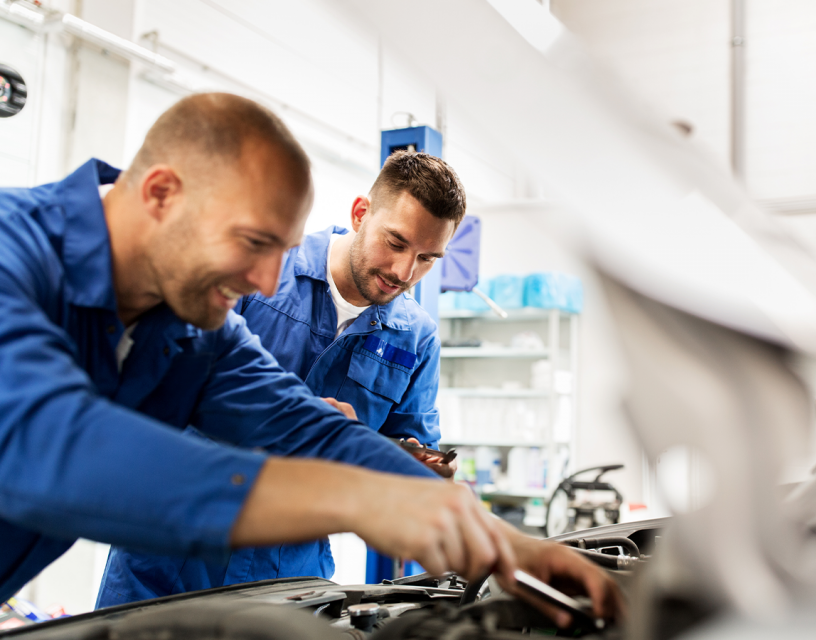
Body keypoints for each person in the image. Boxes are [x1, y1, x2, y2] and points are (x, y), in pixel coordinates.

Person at [0, 93, 621, 626]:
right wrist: (354, 501)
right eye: (252, 244)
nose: (267, 282)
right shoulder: (12, 255)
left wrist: (506, 542)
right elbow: (48, 448)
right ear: (163, 193)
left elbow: (308, 426)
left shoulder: (187, 326)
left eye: (284, 252)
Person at [97, 151, 462, 604]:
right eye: (397, 242)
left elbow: (407, 452)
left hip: (289, 572)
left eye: (427, 258)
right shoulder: (261, 266)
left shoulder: (416, 338)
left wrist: (421, 472)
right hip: (173, 546)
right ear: (360, 213)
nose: (404, 272)